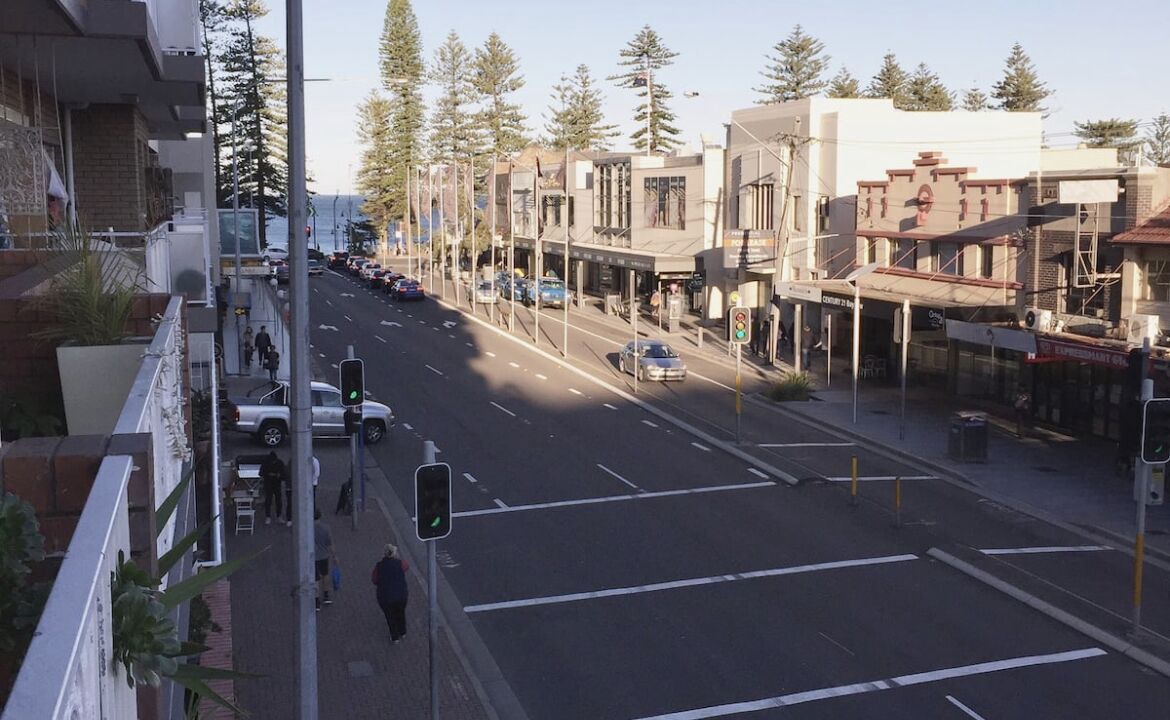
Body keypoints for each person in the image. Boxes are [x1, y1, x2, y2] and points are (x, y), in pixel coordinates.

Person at [372, 544, 410, 643]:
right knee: (401, 613)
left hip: (386, 597)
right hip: (401, 595)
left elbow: (374, 580)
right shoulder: (399, 563)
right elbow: (406, 567)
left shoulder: (379, 566)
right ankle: (403, 632)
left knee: (390, 616)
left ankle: (394, 637)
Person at [314, 510, 336, 610]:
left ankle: (316, 600)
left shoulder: (309, 528)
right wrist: (334, 556)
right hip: (324, 556)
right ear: (320, 516)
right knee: (325, 575)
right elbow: (329, 544)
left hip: (313, 557)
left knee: (315, 579)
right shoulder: (326, 528)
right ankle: (326, 595)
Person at [260, 451, 285, 525]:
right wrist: (268, 474)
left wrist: (279, 475)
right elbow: (261, 473)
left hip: (277, 484)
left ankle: (279, 516)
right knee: (268, 500)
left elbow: (283, 473)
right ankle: (268, 516)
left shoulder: (280, 463)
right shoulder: (266, 463)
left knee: (278, 500)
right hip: (268, 484)